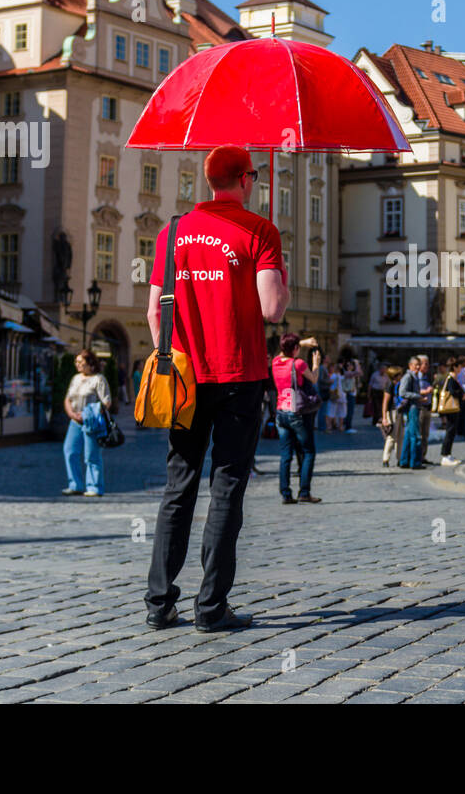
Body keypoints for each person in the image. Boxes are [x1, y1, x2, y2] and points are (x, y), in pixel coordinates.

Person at [144, 145, 288, 633]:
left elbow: (153, 311)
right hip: (238, 377)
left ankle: (160, 603)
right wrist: (279, 278)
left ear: (209, 180)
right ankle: (211, 608)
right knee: (226, 487)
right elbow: (272, 309)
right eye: (253, 175)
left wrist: (176, 352)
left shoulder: (173, 231)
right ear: (246, 179)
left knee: (177, 488)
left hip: (183, 378)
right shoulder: (260, 231)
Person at [272, 333, 321, 503]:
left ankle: (286, 494)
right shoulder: (298, 364)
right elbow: (313, 379)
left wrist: (302, 342)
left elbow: (282, 351)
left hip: (280, 412)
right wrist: (316, 364)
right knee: (308, 452)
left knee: (286, 455)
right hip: (296, 412)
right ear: (295, 349)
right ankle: (304, 492)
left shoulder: (276, 362)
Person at [62, 349, 112, 497]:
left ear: (90, 364)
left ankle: (95, 487)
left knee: (92, 455)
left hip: (91, 421)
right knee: (70, 451)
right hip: (75, 421)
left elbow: (106, 402)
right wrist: (71, 413)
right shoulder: (76, 379)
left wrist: (90, 414)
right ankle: (75, 484)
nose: (77, 365)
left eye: (81, 362)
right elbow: (68, 398)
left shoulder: (98, 379)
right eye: (76, 362)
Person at [396, 357, 428, 468]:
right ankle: (415, 462)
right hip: (412, 407)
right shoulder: (408, 377)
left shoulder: (414, 376)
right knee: (415, 435)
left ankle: (404, 461)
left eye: (419, 364)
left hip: (414, 407)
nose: (418, 367)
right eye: (415, 365)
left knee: (409, 435)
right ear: (410, 365)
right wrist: (418, 397)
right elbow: (402, 392)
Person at [435, 357, 464, 465]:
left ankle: (448, 454)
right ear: (455, 367)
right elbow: (452, 392)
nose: (461, 369)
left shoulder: (452, 378)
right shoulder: (451, 379)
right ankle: (445, 455)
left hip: (453, 409)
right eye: (460, 367)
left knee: (451, 431)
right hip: (450, 409)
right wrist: (462, 394)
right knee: (450, 430)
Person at [379, 365, 404, 467]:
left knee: (400, 436)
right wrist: (384, 417)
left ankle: (399, 458)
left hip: (399, 411)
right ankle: (386, 459)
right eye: (399, 375)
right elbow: (385, 402)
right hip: (392, 412)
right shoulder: (390, 385)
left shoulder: (399, 384)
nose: (401, 376)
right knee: (392, 437)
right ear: (395, 376)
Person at [416, 355, 434, 460]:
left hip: (427, 407)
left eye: (427, 363)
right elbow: (411, 391)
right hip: (420, 407)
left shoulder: (426, 377)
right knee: (419, 434)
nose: (427, 366)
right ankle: (417, 457)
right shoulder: (415, 376)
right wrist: (425, 391)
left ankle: (423, 456)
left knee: (425, 434)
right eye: (425, 363)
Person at [339, 352, 360, 433]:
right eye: (348, 365)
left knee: (349, 410)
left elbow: (360, 373)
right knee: (349, 411)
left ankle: (346, 425)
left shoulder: (348, 373)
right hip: (349, 393)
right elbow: (358, 372)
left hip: (352, 393)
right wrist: (357, 363)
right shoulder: (346, 373)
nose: (350, 366)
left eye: (351, 364)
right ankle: (348, 427)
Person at [368, 362, 389, 427]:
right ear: (380, 369)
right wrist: (369, 394)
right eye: (383, 369)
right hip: (375, 391)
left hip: (383, 391)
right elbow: (370, 385)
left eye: (385, 369)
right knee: (376, 406)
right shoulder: (374, 375)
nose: (384, 370)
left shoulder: (386, 375)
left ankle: (381, 419)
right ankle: (376, 420)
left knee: (382, 406)